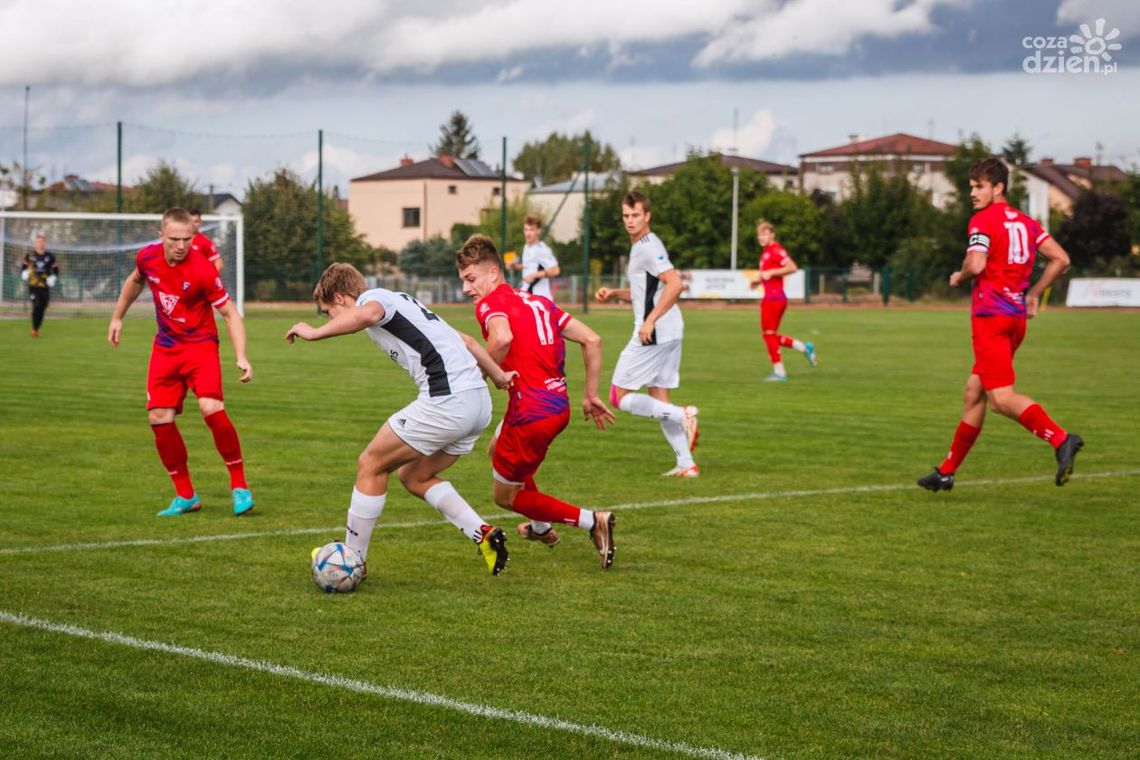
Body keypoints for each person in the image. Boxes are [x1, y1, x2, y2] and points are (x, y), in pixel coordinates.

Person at [285, 263, 516, 576]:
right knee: (413, 476)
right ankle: (484, 535)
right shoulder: (407, 303)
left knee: (370, 464)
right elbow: (469, 342)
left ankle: (352, 561)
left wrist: (313, 333)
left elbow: (365, 315)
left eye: (328, 312)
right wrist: (499, 375)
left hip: (447, 401)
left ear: (341, 297)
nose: (329, 319)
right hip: (478, 403)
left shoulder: (375, 299)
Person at [918, 157, 1083, 492]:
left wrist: (959, 277)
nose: (973, 193)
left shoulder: (982, 220)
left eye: (979, 187)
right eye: (971, 187)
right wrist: (1035, 292)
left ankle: (1061, 438)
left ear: (998, 187)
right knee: (973, 392)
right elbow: (1061, 259)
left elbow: (976, 264)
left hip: (991, 318)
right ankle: (947, 472)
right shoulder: (1027, 223)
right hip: (1015, 318)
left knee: (1001, 399)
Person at [457, 234, 619, 569]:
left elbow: (501, 338)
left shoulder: (489, 304)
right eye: (462, 280)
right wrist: (591, 394)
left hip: (531, 412)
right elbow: (592, 339)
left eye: (471, 279)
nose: (466, 288)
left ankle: (592, 521)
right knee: (496, 450)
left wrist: (476, 379)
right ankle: (541, 527)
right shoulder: (538, 302)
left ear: (493, 273)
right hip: (557, 406)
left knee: (505, 496)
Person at [107, 207, 255, 516]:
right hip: (165, 347)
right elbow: (135, 282)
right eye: (174, 239)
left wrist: (241, 355)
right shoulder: (147, 258)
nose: (181, 245)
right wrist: (118, 317)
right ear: (161, 236)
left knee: (210, 407)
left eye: (187, 239)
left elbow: (230, 314)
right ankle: (185, 495)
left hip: (200, 346)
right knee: (159, 417)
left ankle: (239, 486)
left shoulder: (203, 269)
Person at [595, 191, 700, 478]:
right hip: (670, 329)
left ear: (647, 216)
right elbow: (648, 292)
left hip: (655, 332)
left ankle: (684, 415)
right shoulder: (644, 245)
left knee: (618, 395)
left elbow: (675, 285)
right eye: (626, 216)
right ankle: (685, 463)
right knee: (658, 395)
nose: (630, 221)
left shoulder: (646, 245)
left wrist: (649, 321)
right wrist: (616, 293)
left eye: (635, 216)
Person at [750, 221, 816, 381]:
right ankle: (804, 348)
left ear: (772, 235)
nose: (762, 237)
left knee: (768, 335)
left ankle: (780, 372)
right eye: (760, 234)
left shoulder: (776, 250)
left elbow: (792, 267)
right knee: (770, 335)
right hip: (773, 297)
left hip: (774, 298)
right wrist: (759, 281)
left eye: (765, 234)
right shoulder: (766, 252)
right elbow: (769, 275)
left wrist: (772, 272)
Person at [509, 214, 560, 299]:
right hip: (528, 294)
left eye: (532, 230)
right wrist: (515, 266)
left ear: (538, 231)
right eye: (526, 230)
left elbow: (556, 270)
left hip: (540, 298)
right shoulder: (527, 246)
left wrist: (535, 275)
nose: (528, 233)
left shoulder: (542, 249)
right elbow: (529, 265)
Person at [21, 234, 59, 337]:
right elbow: (24, 266)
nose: (40, 243)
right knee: (36, 305)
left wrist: (53, 277)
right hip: (33, 286)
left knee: (43, 307)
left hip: (44, 286)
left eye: (42, 241)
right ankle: (34, 329)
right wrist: (24, 273)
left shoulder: (50, 256)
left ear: (44, 243)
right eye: (38, 242)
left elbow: (55, 269)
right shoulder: (30, 255)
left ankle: (36, 329)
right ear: (35, 243)